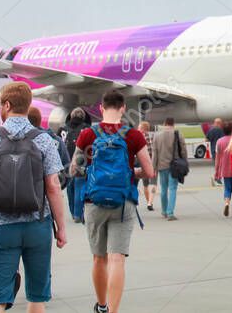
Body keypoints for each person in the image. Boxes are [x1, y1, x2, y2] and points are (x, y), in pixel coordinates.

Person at [0, 82, 67, 313]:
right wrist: (60, 227)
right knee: (37, 296)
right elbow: (53, 186)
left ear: (7, 104)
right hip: (37, 224)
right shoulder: (44, 139)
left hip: (2, 225)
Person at [72, 91, 154, 313]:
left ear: (101, 108)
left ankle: (101, 305)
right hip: (123, 202)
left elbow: (74, 169)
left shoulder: (88, 134)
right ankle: (114, 311)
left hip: (94, 202)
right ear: (123, 108)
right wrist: (130, 172)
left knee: (99, 259)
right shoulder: (134, 135)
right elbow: (149, 171)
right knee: (117, 259)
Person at [149, 118, 186, 221]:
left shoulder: (157, 135)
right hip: (175, 166)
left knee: (164, 189)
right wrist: (185, 162)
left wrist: (153, 167)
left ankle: (164, 211)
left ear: (164, 124)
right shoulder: (178, 134)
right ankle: (170, 213)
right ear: (173, 124)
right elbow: (183, 150)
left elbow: (155, 153)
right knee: (173, 188)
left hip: (161, 166)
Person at [63, 108, 90, 223]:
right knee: (80, 187)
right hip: (82, 162)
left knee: (70, 189)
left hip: (66, 164)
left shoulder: (63, 129)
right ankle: (78, 214)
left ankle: (73, 212)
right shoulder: (87, 130)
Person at [213, 122, 232, 218]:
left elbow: (217, 158)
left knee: (227, 188)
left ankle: (227, 202)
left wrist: (216, 172)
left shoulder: (219, 141)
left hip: (224, 168)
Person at [136, 122, 155, 212]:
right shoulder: (152, 137)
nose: (138, 129)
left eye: (139, 128)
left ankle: (145, 202)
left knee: (142, 184)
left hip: (141, 163)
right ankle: (150, 202)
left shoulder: (138, 138)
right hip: (150, 162)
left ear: (143, 129)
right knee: (151, 184)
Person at [205, 119, 225, 187]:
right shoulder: (222, 130)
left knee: (216, 165)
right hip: (222, 150)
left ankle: (217, 178)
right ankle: (218, 179)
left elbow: (206, 139)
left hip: (214, 150)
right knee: (221, 165)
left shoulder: (211, 130)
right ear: (219, 123)